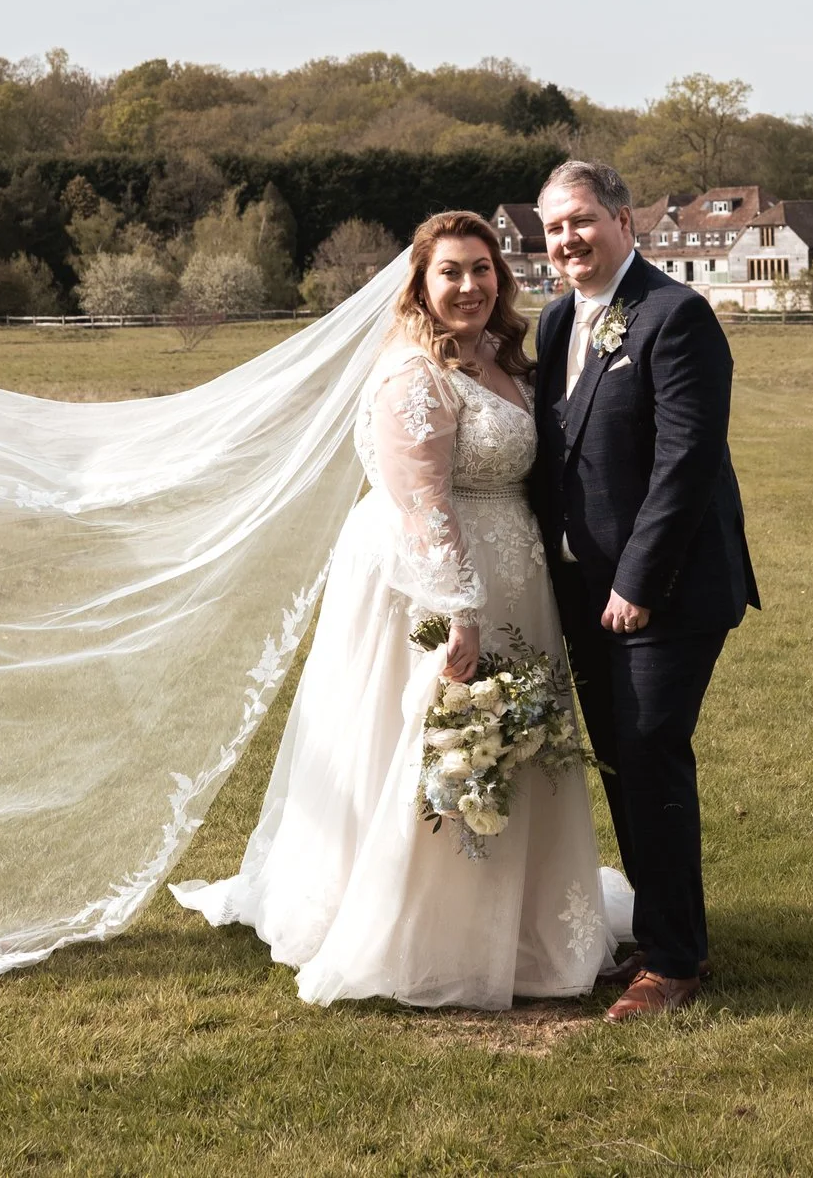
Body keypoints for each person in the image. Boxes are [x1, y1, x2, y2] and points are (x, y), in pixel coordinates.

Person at [171, 211, 629, 1007]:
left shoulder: (502, 360)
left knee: (515, 741)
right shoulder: (410, 376)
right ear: (419, 283)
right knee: (443, 740)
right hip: (439, 585)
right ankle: (428, 930)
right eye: (450, 272)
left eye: (483, 269)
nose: (469, 286)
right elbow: (421, 506)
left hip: (519, 577)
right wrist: (458, 611)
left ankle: (521, 920)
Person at [533, 160, 758, 1022]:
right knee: (624, 762)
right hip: (584, 592)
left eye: (583, 219)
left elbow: (688, 459)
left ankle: (674, 963)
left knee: (652, 750)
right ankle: (665, 931)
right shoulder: (559, 321)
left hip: (664, 590)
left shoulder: (677, 315)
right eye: (554, 228)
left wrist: (637, 579)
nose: (568, 239)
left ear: (625, 220)